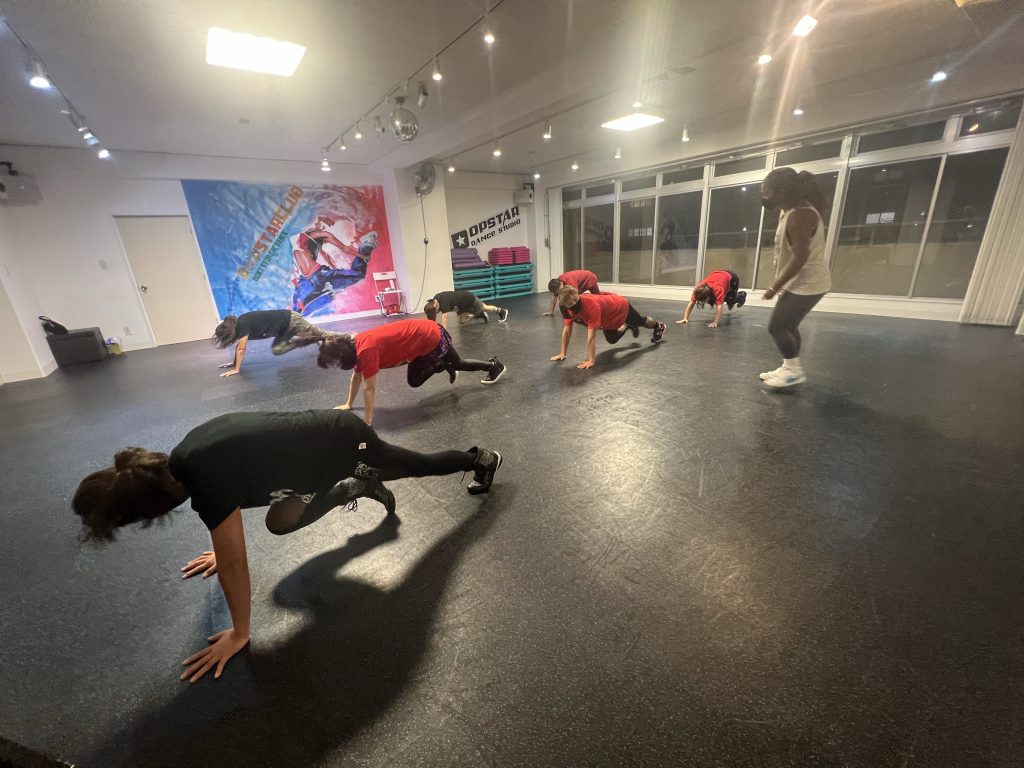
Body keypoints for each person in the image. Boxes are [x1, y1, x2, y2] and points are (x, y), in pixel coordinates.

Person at [71, 409, 503, 683]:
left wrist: (240, 634)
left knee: (411, 467)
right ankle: (360, 484)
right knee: (283, 519)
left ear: (150, 508)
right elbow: (226, 519)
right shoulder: (184, 458)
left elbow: (235, 564)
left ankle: (479, 459)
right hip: (312, 455)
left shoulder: (203, 478)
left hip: (341, 443)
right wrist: (221, 550)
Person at [315, 318, 506, 425]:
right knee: (447, 367)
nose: (337, 365)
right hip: (423, 334)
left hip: (428, 336)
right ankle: (447, 365)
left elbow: (369, 388)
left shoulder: (366, 351)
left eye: (335, 361)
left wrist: (368, 420)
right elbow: (356, 376)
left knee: (440, 370)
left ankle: (489, 366)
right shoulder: (356, 345)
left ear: (342, 353)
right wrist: (348, 404)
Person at [758, 166, 832, 389]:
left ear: (781, 192)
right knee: (789, 326)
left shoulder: (799, 216)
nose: (764, 197)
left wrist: (774, 287)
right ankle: (789, 367)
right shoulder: (790, 210)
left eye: (767, 192)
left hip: (809, 283)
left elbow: (800, 258)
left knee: (777, 326)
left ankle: (793, 371)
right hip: (801, 281)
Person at [551, 286, 665, 369]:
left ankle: (659, 326)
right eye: (570, 304)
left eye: (576, 300)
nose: (574, 304)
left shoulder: (591, 307)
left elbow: (591, 336)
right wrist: (562, 353)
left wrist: (591, 360)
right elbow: (567, 330)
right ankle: (627, 325)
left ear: (577, 295)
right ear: (563, 304)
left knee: (639, 321)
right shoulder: (564, 307)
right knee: (612, 339)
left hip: (619, 306)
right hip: (606, 315)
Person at [290, 215, 379, 314]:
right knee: (297, 310)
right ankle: (365, 246)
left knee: (357, 275)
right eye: (329, 222)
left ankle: (365, 246)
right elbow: (337, 251)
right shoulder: (313, 235)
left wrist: (335, 268)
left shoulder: (317, 236)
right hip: (310, 278)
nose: (329, 225)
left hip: (315, 276)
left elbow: (333, 253)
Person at [213, 309, 327, 377]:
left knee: (325, 334)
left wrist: (236, 370)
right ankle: (312, 338)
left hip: (291, 320)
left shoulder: (242, 325)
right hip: (283, 327)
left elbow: (241, 349)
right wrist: (234, 363)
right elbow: (239, 347)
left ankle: (314, 338)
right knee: (277, 349)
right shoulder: (239, 327)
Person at [677, 270, 747, 328]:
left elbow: (719, 306)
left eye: (703, 300)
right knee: (723, 300)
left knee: (730, 301)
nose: (702, 302)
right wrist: (685, 318)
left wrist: (715, 322)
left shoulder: (717, 289)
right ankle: (731, 298)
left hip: (732, 278)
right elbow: (691, 303)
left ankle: (742, 295)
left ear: (709, 296)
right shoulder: (698, 290)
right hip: (719, 274)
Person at [424, 289, 509, 327]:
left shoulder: (443, 302)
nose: (437, 312)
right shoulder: (434, 300)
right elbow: (433, 317)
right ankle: (479, 314)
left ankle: (501, 311)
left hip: (469, 299)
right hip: (461, 306)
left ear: (435, 306)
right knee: (461, 321)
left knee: (485, 307)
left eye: (436, 311)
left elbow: (444, 318)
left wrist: (443, 333)